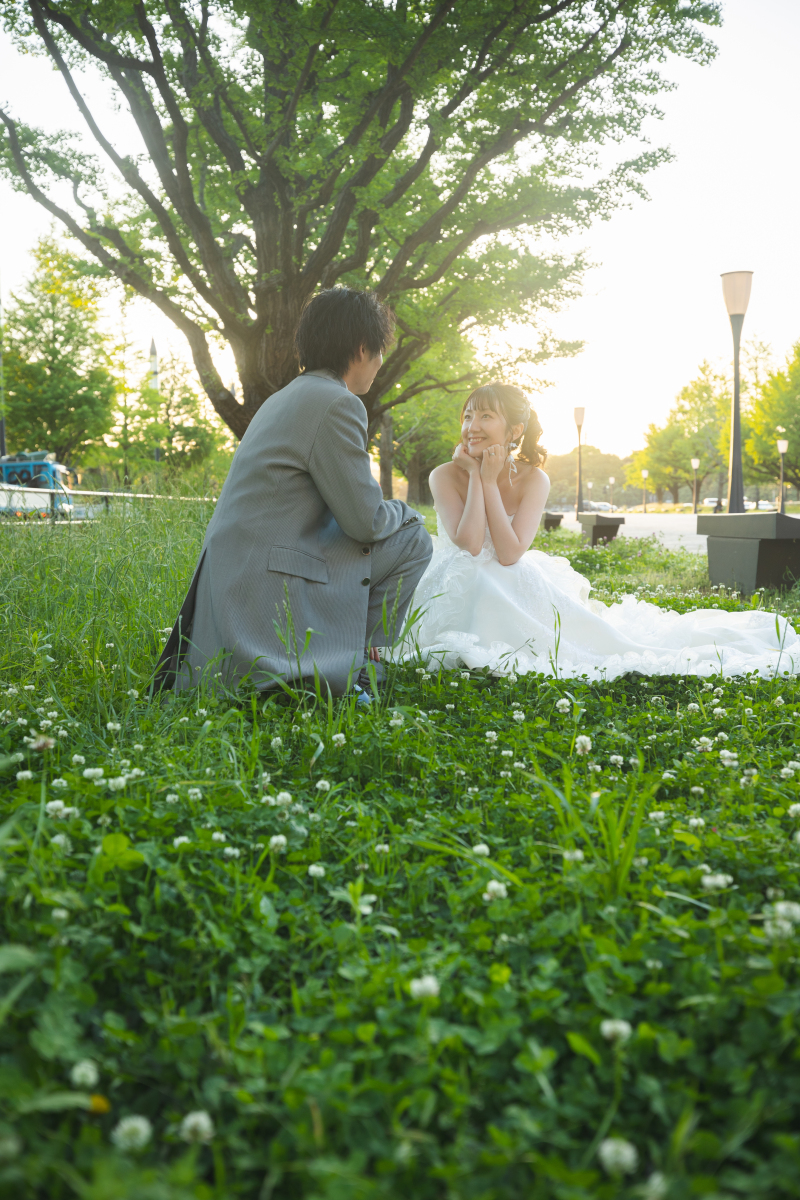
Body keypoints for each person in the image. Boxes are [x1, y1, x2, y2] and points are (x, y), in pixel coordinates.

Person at [402, 382, 800, 679]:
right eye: (468, 415)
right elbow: (470, 544)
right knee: (477, 576)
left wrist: (489, 483)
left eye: (485, 416)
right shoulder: (444, 475)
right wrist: (475, 476)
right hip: (456, 577)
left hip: (510, 573)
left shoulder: (534, 480)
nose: (472, 426)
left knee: (504, 580)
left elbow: (508, 554)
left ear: (515, 430)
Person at [154, 288, 432, 696]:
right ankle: (355, 663)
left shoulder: (282, 398)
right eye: (380, 352)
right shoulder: (338, 403)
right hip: (269, 577)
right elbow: (366, 521)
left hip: (236, 575)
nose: (379, 364)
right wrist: (407, 511)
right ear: (360, 349)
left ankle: (349, 656)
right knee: (412, 538)